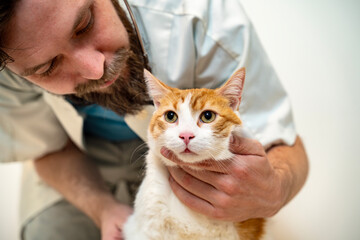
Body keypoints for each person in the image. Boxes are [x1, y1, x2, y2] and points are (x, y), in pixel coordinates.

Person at [0, 0, 309, 239]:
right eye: (48, 67)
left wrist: (275, 191)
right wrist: (103, 209)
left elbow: (283, 143)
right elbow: (46, 148)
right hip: (77, 156)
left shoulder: (204, 18)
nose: (96, 69)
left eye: (85, 24)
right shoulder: (7, 75)